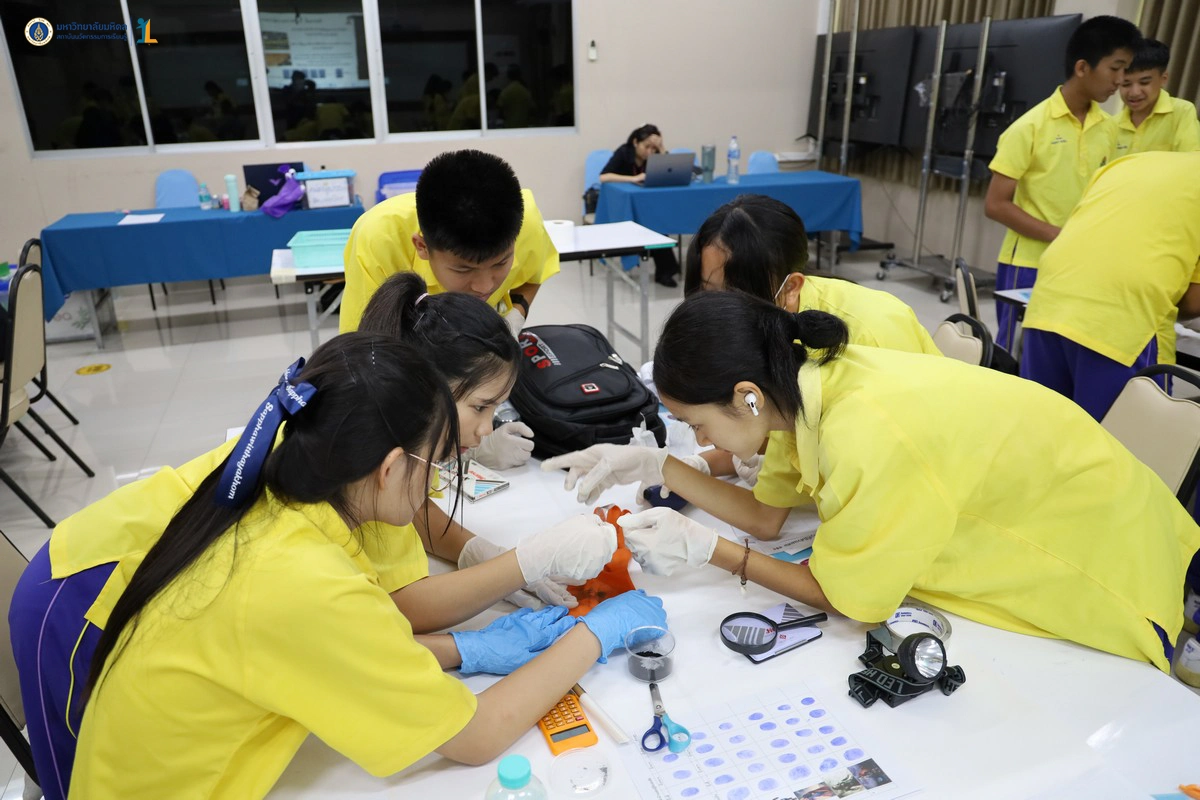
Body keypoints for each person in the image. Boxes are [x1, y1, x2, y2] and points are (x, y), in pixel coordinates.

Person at [10, 333, 665, 799]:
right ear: (390, 467)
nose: (437, 484)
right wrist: (597, 631)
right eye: (436, 465)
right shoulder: (301, 579)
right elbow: (476, 735)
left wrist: (461, 650)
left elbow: (339, 639)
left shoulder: (285, 490)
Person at [614, 291, 1199, 673]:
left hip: (1103, 560)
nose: (698, 439)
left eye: (696, 424)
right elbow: (766, 518)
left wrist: (708, 550)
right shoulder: (800, 387)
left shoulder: (863, 428)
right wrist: (660, 467)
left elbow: (849, 599)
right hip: (1072, 506)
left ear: (746, 396)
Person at [544, 195, 940, 541]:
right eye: (706, 293)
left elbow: (777, 516)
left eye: (731, 295)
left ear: (790, 288)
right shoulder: (769, 342)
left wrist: (710, 540)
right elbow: (769, 480)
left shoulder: (873, 334)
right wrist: (688, 465)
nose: (715, 312)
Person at [359, 273, 554, 603]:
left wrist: (476, 551)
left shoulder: (404, 437)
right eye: (480, 407)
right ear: (426, 389)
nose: (487, 429)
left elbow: (415, 514)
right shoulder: (371, 463)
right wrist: (511, 570)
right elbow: (404, 605)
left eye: (496, 408)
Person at [983, 15, 1140, 351]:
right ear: (1082, 67)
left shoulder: (1110, 128)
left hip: (1080, 263)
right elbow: (995, 205)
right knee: (1015, 352)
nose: (1121, 80)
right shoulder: (1030, 127)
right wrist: (1060, 236)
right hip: (1028, 264)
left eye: (1126, 70)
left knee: (1058, 353)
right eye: (1115, 68)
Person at [1020, 152, 1200, 420]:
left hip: (1048, 306)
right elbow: (1194, 302)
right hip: (1121, 326)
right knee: (1125, 441)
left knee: (1045, 430)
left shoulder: (1129, 162)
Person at [340, 149, 558, 336]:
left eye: (500, 263)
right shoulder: (379, 239)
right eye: (463, 269)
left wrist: (515, 318)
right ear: (422, 246)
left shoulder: (526, 222)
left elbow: (533, 275)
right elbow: (365, 343)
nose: (485, 287)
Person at [600, 124, 681, 286]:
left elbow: (670, 171)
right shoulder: (624, 152)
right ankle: (660, 267)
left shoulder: (655, 155)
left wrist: (661, 148)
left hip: (648, 206)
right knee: (652, 226)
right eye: (646, 146)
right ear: (636, 142)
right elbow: (604, 177)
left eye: (653, 148)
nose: (650, 152)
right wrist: (633, 179)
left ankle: (664, 272)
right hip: (622, 206)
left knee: (656, 224)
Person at [1115, 38, 1200, 156]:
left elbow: (1190, 159)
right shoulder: (1112, 124)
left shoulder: (1181, 111)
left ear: (1163, 79)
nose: (1134, 92)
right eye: (1126, 84)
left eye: (1144, 82)